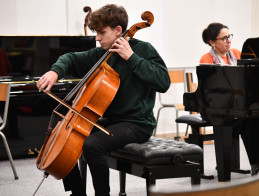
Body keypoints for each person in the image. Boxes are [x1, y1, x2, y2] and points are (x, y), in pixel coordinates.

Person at [37, 4, 170, 196]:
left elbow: (163, 82)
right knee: (62, 129)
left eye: (101, 33)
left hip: (137, 124)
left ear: (118, 31)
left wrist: (131, 57)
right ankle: (77, 191)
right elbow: (70, 58)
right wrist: (55, 72)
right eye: (96, 33)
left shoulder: (143, 50)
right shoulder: (101, 54)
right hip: (110, 121)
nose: (97, 39)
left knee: (92, 144)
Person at [200, 22, 259, 176]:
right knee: (248, 120)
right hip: (216, 109)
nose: (229, 41)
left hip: (237, 107)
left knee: (253, 117)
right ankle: (255, 164)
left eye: (229, 36)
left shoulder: (237, 53)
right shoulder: (206, 59)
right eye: (224, 38)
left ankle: (256, 163)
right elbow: (209, 91)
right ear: (212, 42)